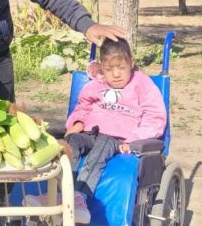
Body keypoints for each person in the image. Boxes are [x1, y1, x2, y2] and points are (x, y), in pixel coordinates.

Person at [25, 37, 167, 224]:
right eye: (109, 69)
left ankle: (79, 198)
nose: (116, 74)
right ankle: (57, 195)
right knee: (69, 145)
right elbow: (83, 107)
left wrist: (133, 140)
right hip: (89, 133)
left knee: (100, 149)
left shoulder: (142, 84)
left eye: (121, 68)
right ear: (101, 68)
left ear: (131, 64)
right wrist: (76, 123)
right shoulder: (95, 84)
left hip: (117, 138)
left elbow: (155, 116)